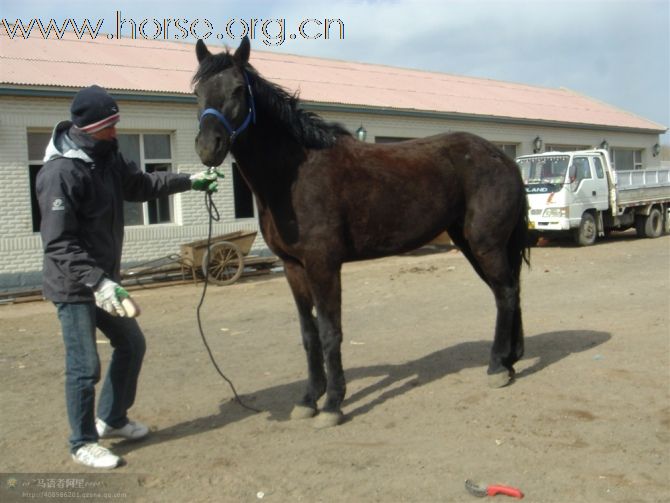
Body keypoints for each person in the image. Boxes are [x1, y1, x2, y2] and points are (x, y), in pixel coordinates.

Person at [36, 85, 220, 469]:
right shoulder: (60, 173)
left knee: (131, 345)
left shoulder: (106, 157)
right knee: (84, 366)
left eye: (116, 124)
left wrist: (190, 180)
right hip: (75, 285)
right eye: (109, 126)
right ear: (86, 128)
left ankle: (113, 419)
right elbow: (59, 244)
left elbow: (140, 185)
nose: (116, 132)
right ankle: (82, 442)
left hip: (106, 280)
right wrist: (98, 282)